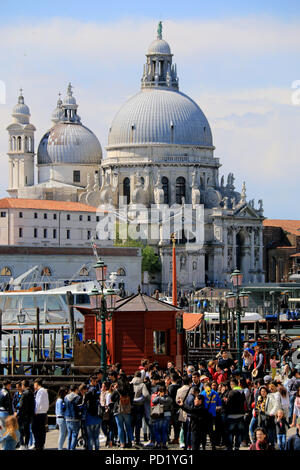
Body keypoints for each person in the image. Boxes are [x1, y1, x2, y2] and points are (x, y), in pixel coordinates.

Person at [110, 379, 135, 449]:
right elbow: (132, 398)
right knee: (128, 427)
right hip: (127, 410)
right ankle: (132, 441)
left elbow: (112, 399)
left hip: (118, 410)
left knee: (120, 427)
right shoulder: (128, 391)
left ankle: (122, 443)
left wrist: (115, 389)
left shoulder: (116, 391)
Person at [224, 378, 246, 451]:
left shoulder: (231, 393)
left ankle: (230, 447)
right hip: (240, 415)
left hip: (231, 415)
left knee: (230, 433)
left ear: (232, 384)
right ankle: (237, 447)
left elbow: (228, 404)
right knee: (238, 433)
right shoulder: (243, 392)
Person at [130, 371, 150, 448]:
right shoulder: (142, 385)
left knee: (131, 424)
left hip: (131, 406)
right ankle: (138, 440)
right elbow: (146, 395)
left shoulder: (130, 384)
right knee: (138, 425)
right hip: (139, 406)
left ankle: (131, 440)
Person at [151, 385, 173, 449]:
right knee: (164, 430)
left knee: (158, 430)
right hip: (167, 414)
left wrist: (159, 396)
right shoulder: (169, 398)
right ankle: (164, 444)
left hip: (159, 414)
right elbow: (171, 404)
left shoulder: (159, 397)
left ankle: (158, 443)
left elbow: (153, 401)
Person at [84, 375, 103, 450]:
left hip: (89, 417)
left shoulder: (88, 391)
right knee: (96, 437)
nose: (96, 383)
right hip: (97, 417)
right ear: (92, 381)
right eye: (96, 381)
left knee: (90, 437)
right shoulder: (96, 391)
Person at [17, 379, 35, 450]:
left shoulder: (24, 393)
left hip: (22, 415)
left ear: (23, 385)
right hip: (29, 415)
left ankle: (22, 445)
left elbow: (21, 405)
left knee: (20, 430)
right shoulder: (31, 393)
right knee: (27, 431)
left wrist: (17, 411)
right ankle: (26, 444)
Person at [32, 378, 49, 451]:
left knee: (36, 430)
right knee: (42, 430)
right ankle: (41, 444)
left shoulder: (39, 391)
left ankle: (38, 445)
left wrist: (35, 411)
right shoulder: (45, 391)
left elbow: (37, 403)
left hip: (38, 413)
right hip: (44, 412)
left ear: (36, 384)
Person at [64, 384, 82, 450]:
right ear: (76, 390)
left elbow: (64, 407)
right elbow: (80, 408)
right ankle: (72, 448)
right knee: (75, 435)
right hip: (75, 418)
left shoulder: (66, 397)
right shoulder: (78, 397)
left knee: (69, 435)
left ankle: (68, 448)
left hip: (67, 418)